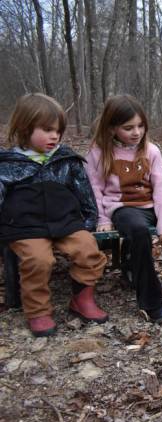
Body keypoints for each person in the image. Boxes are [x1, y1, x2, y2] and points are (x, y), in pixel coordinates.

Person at [85, 94, 162, 324]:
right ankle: (152, 303)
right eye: (128, 128)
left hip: (150, 205)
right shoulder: (98, 153)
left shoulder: (151, 151)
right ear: (111, 128)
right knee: (139, 232)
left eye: (140, 126)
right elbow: (94, 189)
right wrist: (101, 218)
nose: (136, 132)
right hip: (121, 208)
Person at [0, 93, 108, 337]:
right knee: (39, 260)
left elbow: (83, 191)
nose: (54, 136)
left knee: (87, 249)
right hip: (25, 226)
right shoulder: (8, 164)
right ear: (25, 127)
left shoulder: (65, 160)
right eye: (47, 130)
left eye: (58, 131)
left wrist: (89, 220)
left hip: (65, 222)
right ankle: (38, 310)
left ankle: (82, 299)